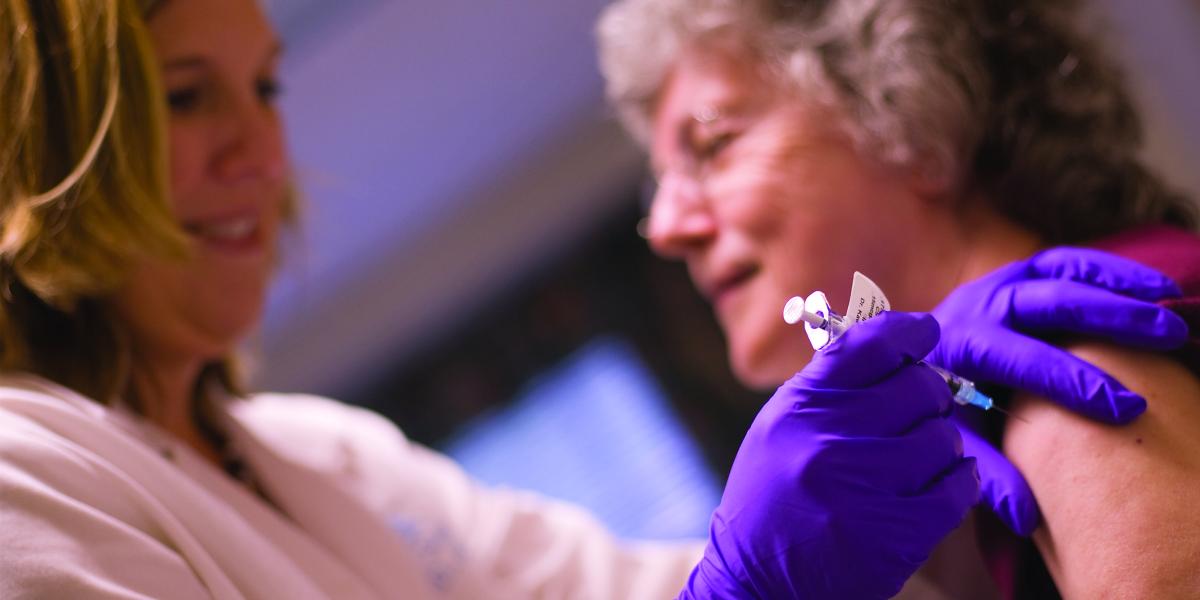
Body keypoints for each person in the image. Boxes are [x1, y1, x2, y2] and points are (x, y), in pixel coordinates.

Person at [0, 1, 1184, 599]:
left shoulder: (1080, 353)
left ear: (908, 113)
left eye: (259, 86)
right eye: (183, 98)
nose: (264, 149)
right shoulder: (24, 480)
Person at [597, 0, 1200, 597]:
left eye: (712, 146)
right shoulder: (959, 485)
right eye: (661, 184)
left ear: (908, 118)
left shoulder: (1075, 361)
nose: (668, 227)